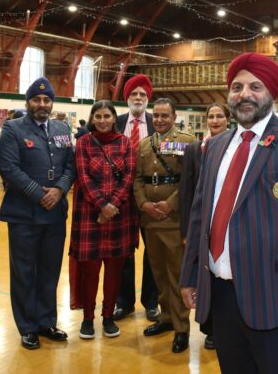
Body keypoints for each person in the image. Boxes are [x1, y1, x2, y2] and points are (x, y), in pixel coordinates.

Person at [180, 53, 278, 374]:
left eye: (255, 86)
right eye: (236, 87)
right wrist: (190, 274)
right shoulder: (216, 146)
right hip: (221, 297)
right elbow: (199, 216)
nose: (244, 94)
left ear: (273, 93)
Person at [0, 77, 76, 350]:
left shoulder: (62, 128)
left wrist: (60, 189)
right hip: (23, 215)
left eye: (47, 100)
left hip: (55, 214)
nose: (42, 104)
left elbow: (70, 166)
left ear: (52, 103)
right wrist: (39, 193)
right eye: (36, 99)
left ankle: (46, 321)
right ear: (28, 102)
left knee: (50, 271)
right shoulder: (13, 128)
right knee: (24, 272)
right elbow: (9, 168)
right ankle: (27, 326)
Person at [71, 101, 137, 340]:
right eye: (97, 116)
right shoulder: (83, 143)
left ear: (113, 118)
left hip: (118, 216)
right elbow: (83, 177)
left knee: (114, 272)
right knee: (90, 272)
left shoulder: (125, 143)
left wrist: (112, 206)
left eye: (106, 115)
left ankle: (108, 317)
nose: (102, 120)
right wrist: (102, 205)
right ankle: (88, 318)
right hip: (90, 216)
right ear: (92, 118)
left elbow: (129, 176)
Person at [133, 98, 195, 353]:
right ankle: (166, 318)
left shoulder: (187, 142)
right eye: (155, 116)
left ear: (174, 116)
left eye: (164, 116)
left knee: (177, 274)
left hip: (173, 218)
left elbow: (190, 180)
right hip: (150, 219)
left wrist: (170, 204)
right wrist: (144, 203)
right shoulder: (144, 145)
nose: (159, 120)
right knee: (158, 272)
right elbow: (137, 179)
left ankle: (181, 328)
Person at [178, 102, 230, 350]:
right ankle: (209, 327)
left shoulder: (235, 147)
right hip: (201, 225)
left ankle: (223, 325)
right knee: (203, 275)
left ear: (228, 120)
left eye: (220, 116)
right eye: (211, 116)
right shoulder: (194, 149)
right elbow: (187, 192)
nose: (215, 120)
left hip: (224, 223)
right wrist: (188, 231)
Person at [113, 74, 160, 323]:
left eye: (142, 94)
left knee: (152, 251)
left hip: (149, 198)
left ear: (147, 98)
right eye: (134, 94)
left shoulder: (157, 123)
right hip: (120, 199)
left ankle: (151, 302)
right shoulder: (115, 122)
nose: (138, 98)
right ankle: (124, 302)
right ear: (127, 98)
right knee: (122, 252)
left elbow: (174, 152)